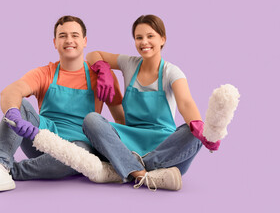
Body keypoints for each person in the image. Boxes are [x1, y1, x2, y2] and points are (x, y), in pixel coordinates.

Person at [0, 15, 124, 195]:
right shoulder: (45, 73)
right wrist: (13, 113)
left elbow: (120, 120)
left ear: (84, 41)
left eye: (75, 35)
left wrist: (128, 154)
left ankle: (5, 168)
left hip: (78, 145)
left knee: (77, 155)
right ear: (55, 42)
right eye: (63, 36)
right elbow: (10, 91)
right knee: (20, 105)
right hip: (41, 140)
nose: (69, 40)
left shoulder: (102, 78)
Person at [82, 14, 220, 191]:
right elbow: (94, 54)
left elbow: (185, 102)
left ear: (162, 39)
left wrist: (200, 128)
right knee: (91, 120)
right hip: (129, 140)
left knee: (195, 131)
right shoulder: (129, 63)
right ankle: (145, 175)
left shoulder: (172, 72)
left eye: (150, 36)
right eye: (139, 37)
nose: (144, 42)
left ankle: (126, 168)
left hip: (165, 148)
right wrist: (103, 69)